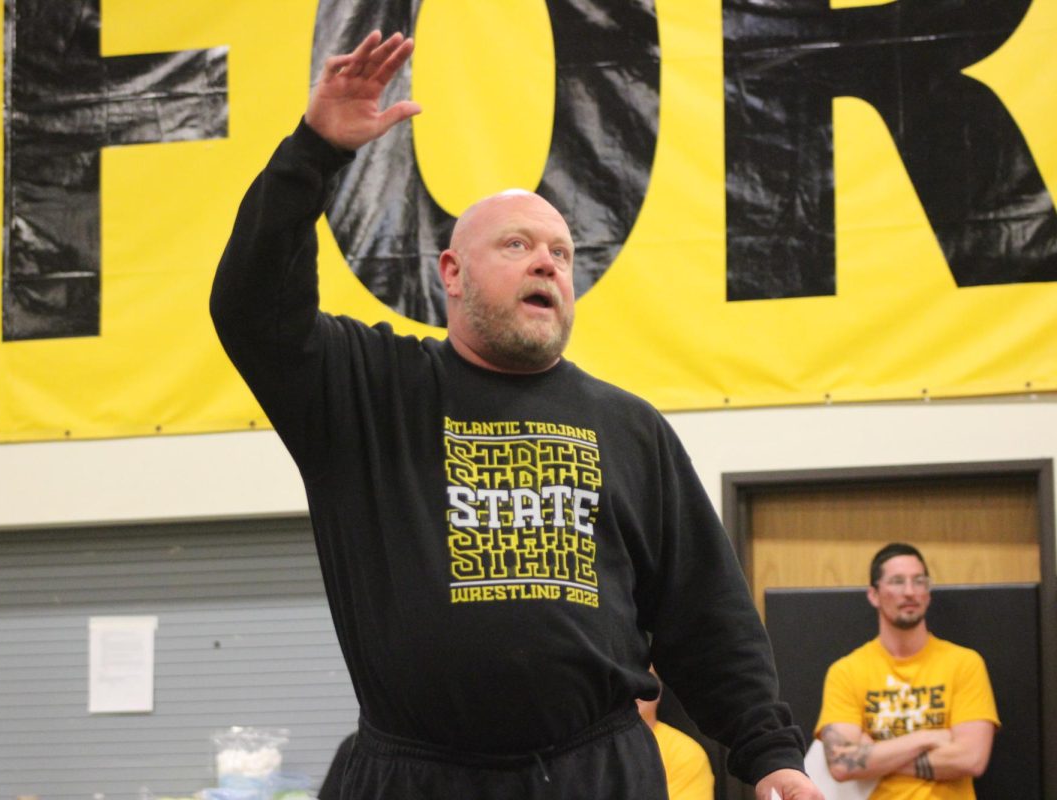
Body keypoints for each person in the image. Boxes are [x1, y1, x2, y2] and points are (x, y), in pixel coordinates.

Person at [211, 29, 821, 800]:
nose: (547, 263)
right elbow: (251, 308)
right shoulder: (369, 392)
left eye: (562, 254)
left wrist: (771, 755)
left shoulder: (629, 428)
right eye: (519, 245)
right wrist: (313, 153)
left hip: (595, 771)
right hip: (416, 775)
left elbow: (708, 614)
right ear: (452, 274)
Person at [814, 543, 999, 799]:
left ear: (928, 593)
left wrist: (874, 755)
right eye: (897, 582)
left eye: (919, 581)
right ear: (874, 594)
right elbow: (842, 764)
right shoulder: (846, 671)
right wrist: (925, 738)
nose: (910, 592)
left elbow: (971, 759)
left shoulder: (964, 663)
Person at [635, 671, 714, 800]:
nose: (637, 686)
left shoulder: (684, 752)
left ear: (658, 691)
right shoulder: (599, 746)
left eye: (644, 678)